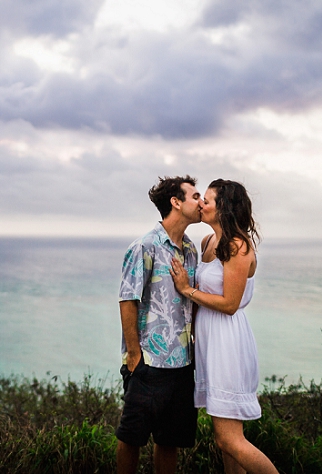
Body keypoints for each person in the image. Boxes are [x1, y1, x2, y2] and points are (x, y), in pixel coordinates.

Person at [169, 179, 277, 474]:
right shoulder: (208, 242)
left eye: (207, 200)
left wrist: (186, 289)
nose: (201, 204)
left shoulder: (238, 246)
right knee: (226, 444)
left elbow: (230, 304)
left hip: (227, 342)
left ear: (224, 207)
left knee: (229, 439)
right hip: (209, 342)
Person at [116, 175, 202, 474]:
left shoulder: (191, 249)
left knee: (170, 441)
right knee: (132, 437)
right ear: (176, 202)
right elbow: (127, 299)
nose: (200, 202)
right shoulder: (145, 246)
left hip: (182, 363)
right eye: (195, 196)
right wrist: (134, 356)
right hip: (149, 363)